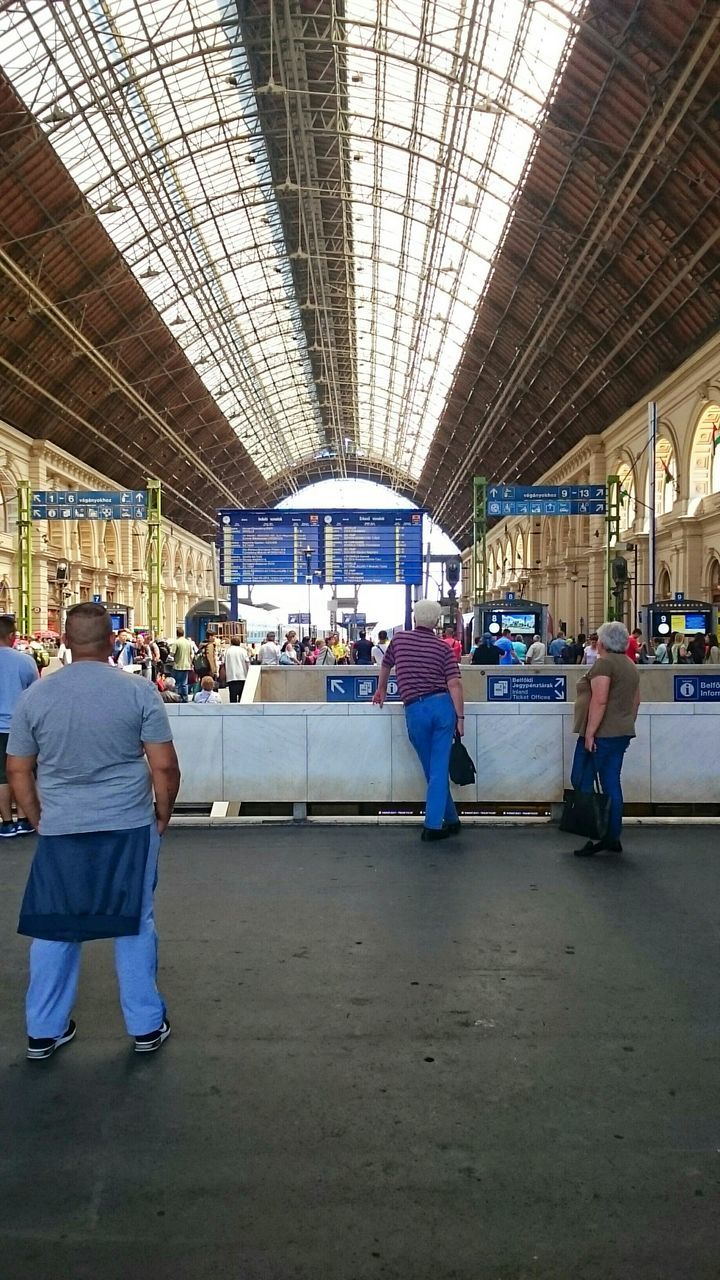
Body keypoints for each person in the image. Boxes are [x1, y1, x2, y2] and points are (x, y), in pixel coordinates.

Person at [7, 602, 180, 1059]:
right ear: (111, 642)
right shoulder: (139, 691)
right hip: (127, 823)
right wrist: (162, 812)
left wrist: (35, 815)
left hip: (61, 826)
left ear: (64, 641)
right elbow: (163, 765)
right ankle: (145, 1027)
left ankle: (44, 1031)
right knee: (134, 920)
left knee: (55, 925)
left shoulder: (36, 696)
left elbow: (18, 769)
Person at [373, 599, 463, 842]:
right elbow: (454, 684)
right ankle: (436, 825)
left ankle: (448, 820)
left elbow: (386, 664)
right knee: (437, 769)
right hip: (442, 707)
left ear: (414, 619)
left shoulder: (400, 640)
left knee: (432, 769)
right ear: (435, 622)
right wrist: (461, 718)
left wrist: (381, 690)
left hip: (414, 709)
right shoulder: (443, 647)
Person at [570, 620, 640, 857]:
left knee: (583, 779)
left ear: (603, 642)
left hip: (601, 733)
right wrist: (627, 721)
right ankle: (613, 835)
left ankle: (593, 833)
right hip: (621, 732)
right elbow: (636, 701)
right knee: (611, 783)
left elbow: (599, 700)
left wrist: (590, 733)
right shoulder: (630, 665)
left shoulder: (604, 665)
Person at [0, 614, 38, 838]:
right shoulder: (25, 661)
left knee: (1, 777)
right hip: (19, 726)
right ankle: (25, 819)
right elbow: (34, 692)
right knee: (23, 772)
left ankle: (6, 822)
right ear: (12, 636)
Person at [169, 626, 195, 701]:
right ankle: (185, 698)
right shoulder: (188, 642)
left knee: (176, 683)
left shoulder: (176, 642)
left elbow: (172, 654)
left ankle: (177, 698)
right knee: (184, 683)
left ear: (177, 634)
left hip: (177, 665)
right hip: (187, 665)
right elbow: (191, 654)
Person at [224, 635, 249, 702]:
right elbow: (247, 662)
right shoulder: (243, 651)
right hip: (242, 676)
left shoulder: (227, 651)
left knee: (233, 696)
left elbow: (224, 663)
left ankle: (233, 711)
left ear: (231, 643)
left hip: (231, 676)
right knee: (242, 696)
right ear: (239, 643)